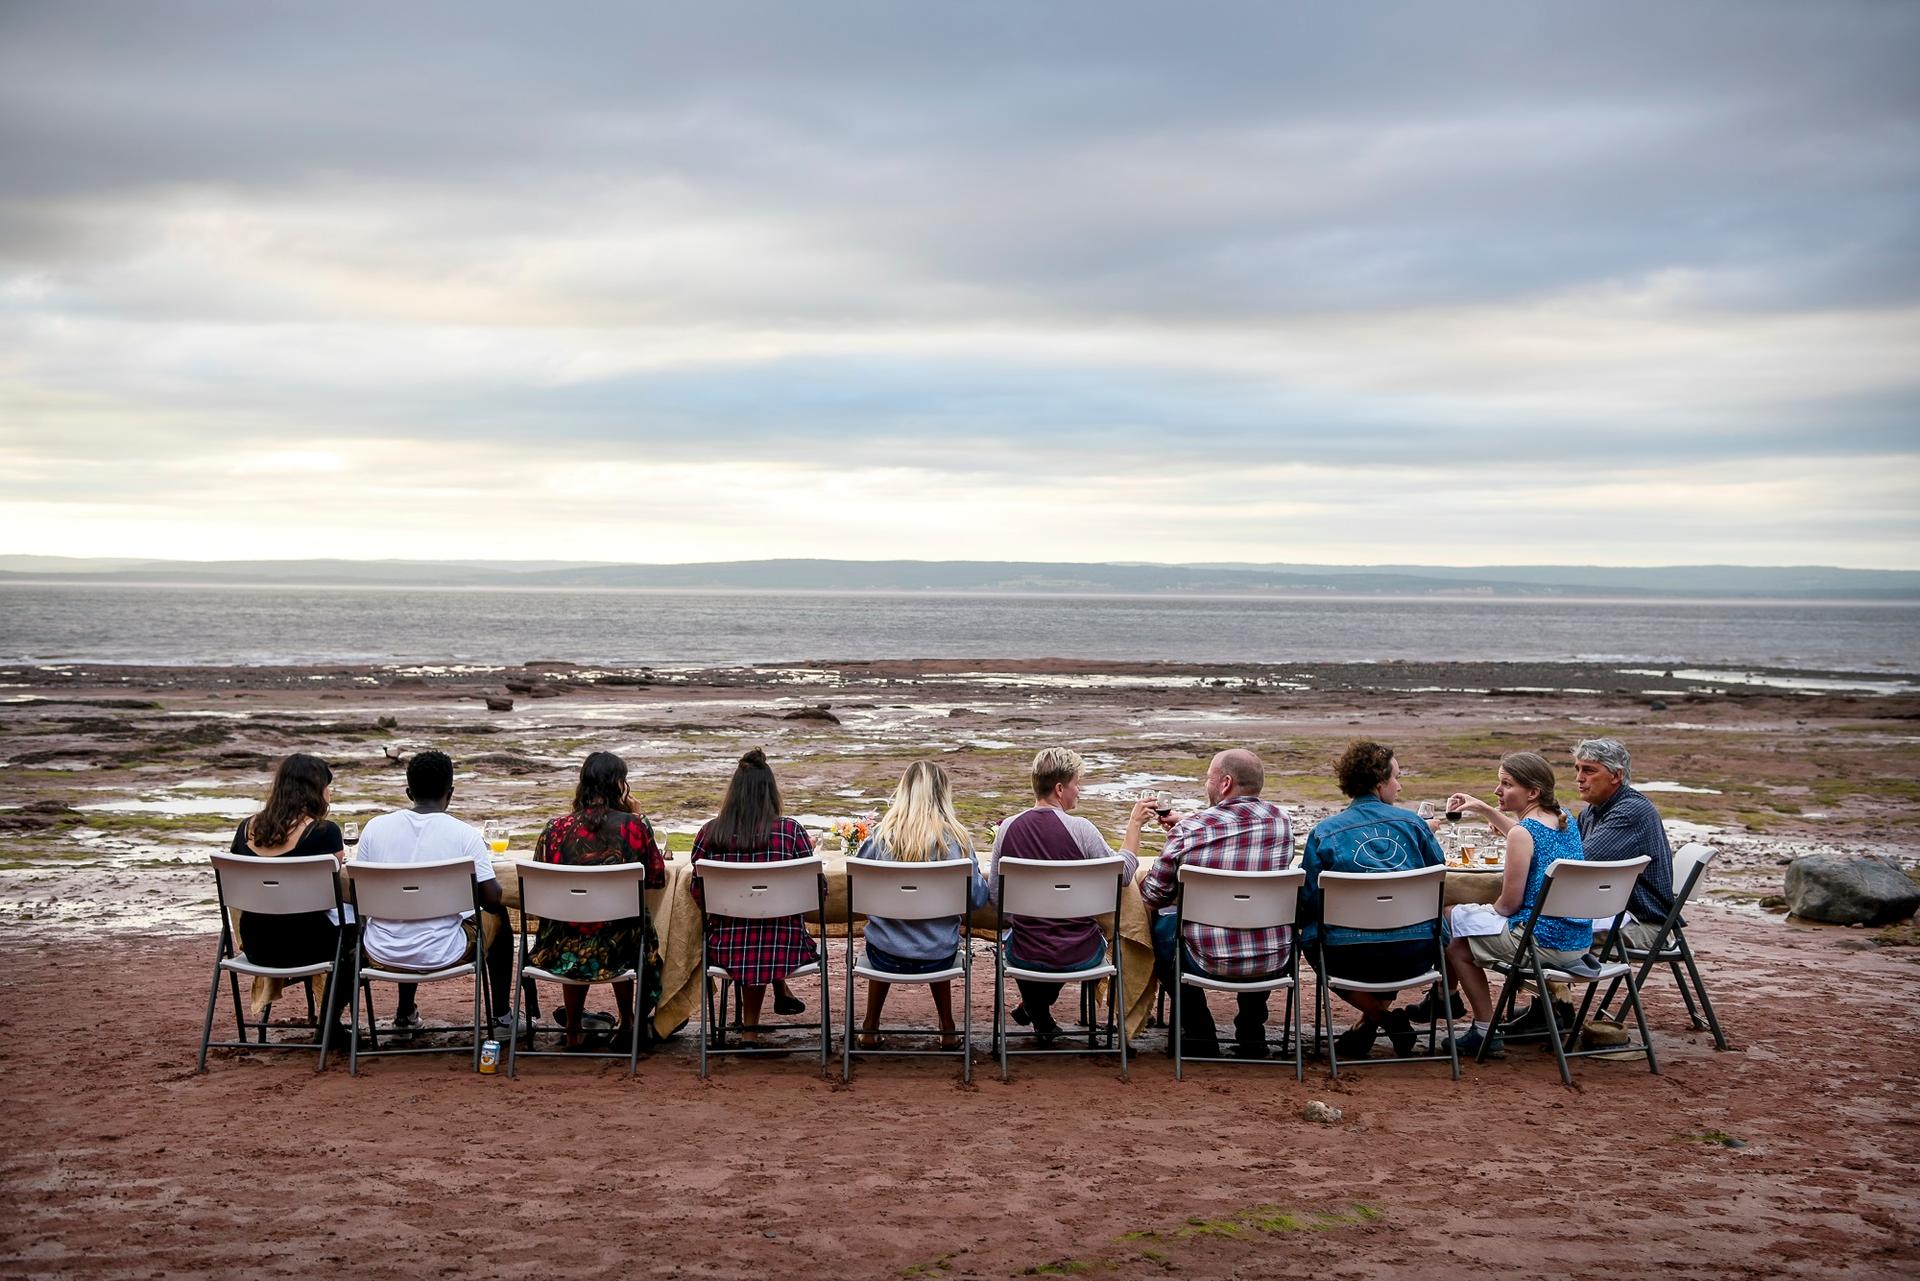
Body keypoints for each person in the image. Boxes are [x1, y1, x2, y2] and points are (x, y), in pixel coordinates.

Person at [1139, 748, 1294, 1059]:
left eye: (1208, 778)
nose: (1205, 784)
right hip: (1272, 958)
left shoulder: (1191, 830)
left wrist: (1185, 832)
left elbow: (1153, 895)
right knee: (1255, 919)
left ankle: (1199, 1029)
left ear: (1225, 783)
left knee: (1159, 926)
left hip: (1206, 959)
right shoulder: (1282, 823)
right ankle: (1252, 1030)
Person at [1439, 751, 1596, 1058]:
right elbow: (1523, 834)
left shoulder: (1523, 834)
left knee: (1454, 937)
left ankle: (1480, 1029)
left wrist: (1474, 913)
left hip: (1541, 943)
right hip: (1578, 942)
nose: (1498, 791)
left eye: (1506, 784)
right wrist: (1484, 808)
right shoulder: (1565, 819)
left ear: (1533, 792)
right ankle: (1455, 1006)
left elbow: (1508, 905)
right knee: (1462, 922)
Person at [1296, 741, 1446, 1059]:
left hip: (1347, 955)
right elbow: (1439, 878)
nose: (1400, 785)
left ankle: (1378, 1019)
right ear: (1379, 782)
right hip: (1416, 950)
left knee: (1310, 936)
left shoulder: (1325, 833)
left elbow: (1308, 897)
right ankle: (1380, 1019)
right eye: (1396, 778)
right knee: (1395, 927)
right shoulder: (1414, 826)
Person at [988, 747, 1147, 1046]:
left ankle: (1035, 1008)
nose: (1080, 791)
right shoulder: (1082, 829)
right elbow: (1123, 875)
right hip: (1081, 953)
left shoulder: (1006, 828)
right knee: (1071, 936)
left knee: (1025, 936)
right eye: (1077, 784)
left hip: (1025, 953)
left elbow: (996, 898)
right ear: (1060, 789)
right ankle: (1037, 1009)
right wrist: (1135, 826)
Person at [351, 749, 516, 1037]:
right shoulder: (465, 835)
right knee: (498, 916)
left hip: (380, 950)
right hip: (445, 951)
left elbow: (357, 896)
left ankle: (404, 1014)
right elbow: (490, 897)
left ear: (408, 791)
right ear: (450, 793)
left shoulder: (374, 828)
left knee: (406, 913)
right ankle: (502, 1016)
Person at [528, 751, 666, 1051]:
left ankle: (575, 1030)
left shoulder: (554, 829)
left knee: (576, 924)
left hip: (559, 947)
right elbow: (656, 878)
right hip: (620, 948)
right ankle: (628, 1023)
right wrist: (635, 818)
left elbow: (538, 885)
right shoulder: (635, 826)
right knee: (626, 924)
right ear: (619, 784)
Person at [851, 760, 991, 1049]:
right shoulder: (957, 841)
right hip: (939, 954)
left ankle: (870, 1025)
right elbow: (977, 899)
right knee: (934, 932)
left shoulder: (880, 837)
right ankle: (948, 1026)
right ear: (943, 795)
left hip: (883, 955)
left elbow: (856, 889)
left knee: (889, 931)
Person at [690, 748, 818, 1046]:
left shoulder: (709, 833)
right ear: (771, 792)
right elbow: (816, 893)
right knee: (766, 928)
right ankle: (753, 1024)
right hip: (785, 946)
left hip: (726, 946)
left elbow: (698, 894)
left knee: (751, 930)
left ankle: (751, 1024)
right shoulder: (791, 832)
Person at [228, 752, 353, 1033]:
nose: (329, 793)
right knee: (357, 941)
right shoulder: (324, 832)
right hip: (309, 946)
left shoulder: (245, 828)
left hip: (256, 943)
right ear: (315, 790)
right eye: (326, 786)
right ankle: (330, 1024)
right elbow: (335, 887)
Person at [1574, 737, 1677, 951]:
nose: (1579, 778)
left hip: (1644, 924)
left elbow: (1576, 864)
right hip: (1613, 915)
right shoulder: (1591, 813)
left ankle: (1550, 981)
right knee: (1535, 927)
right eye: (1578, 769)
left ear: (1616, 775)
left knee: (1537, 933)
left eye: (1589, 771)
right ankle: (1553, 982)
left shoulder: (1630, 812)